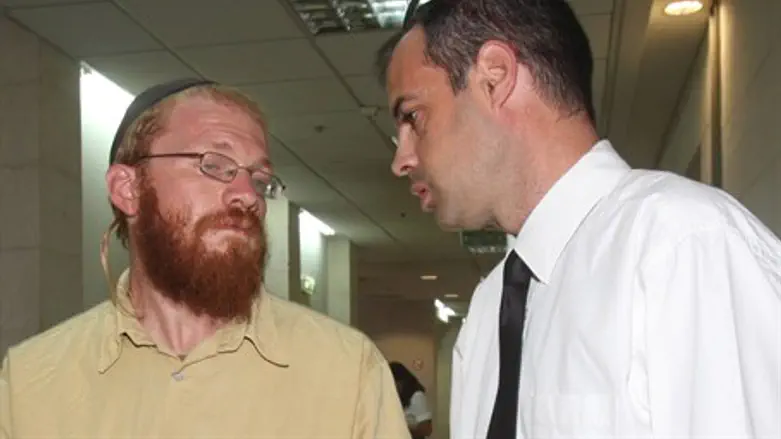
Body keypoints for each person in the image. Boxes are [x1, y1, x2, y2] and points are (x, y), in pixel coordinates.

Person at [376, 1, 781, 438]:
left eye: (413, 117)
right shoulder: (488, 309)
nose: (402, 159)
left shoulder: (681, 245)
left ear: (494, 77)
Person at [0, 79, 410, 439]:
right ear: (127, 189)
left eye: (261, 179)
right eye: (214, 165)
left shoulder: (347, 371)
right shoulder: (29, 383)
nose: (248, 195)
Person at [389, 362, 433, 439]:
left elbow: (426, 430)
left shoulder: (417, 396)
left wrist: (400, 430)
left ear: (401, 381)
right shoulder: (396, 397)